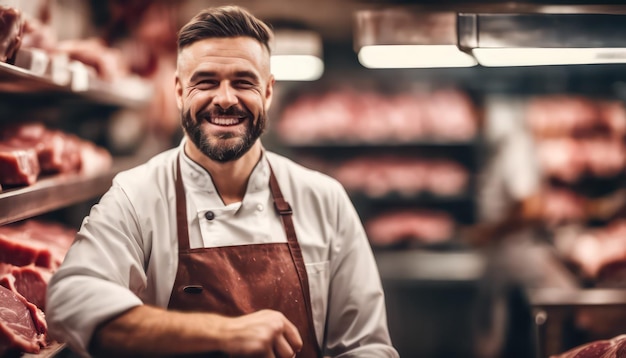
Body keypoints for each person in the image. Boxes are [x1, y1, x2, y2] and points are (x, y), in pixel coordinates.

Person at [45, 5, 399, 358]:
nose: (225, 99)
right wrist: (222, 333)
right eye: (206, 81)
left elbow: (366, 346)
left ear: (269, 92)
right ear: (180, 92)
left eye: (244, 82)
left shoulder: (323, 199)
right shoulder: (137, 196)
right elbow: (71, 299)